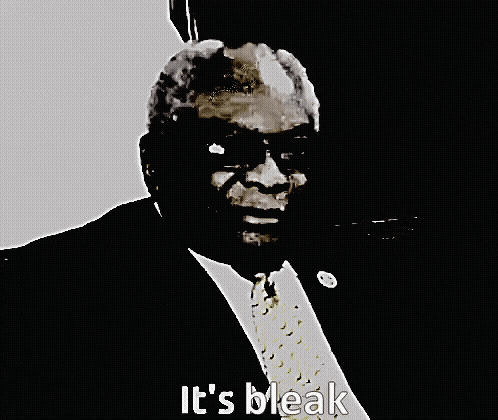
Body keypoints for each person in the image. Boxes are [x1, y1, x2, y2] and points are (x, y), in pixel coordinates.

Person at [0, 40, 449, 420]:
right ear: (155, 164)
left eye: (293, 151)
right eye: (230, 150)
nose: (272, 177)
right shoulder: (51, 295)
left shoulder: (375, 267)